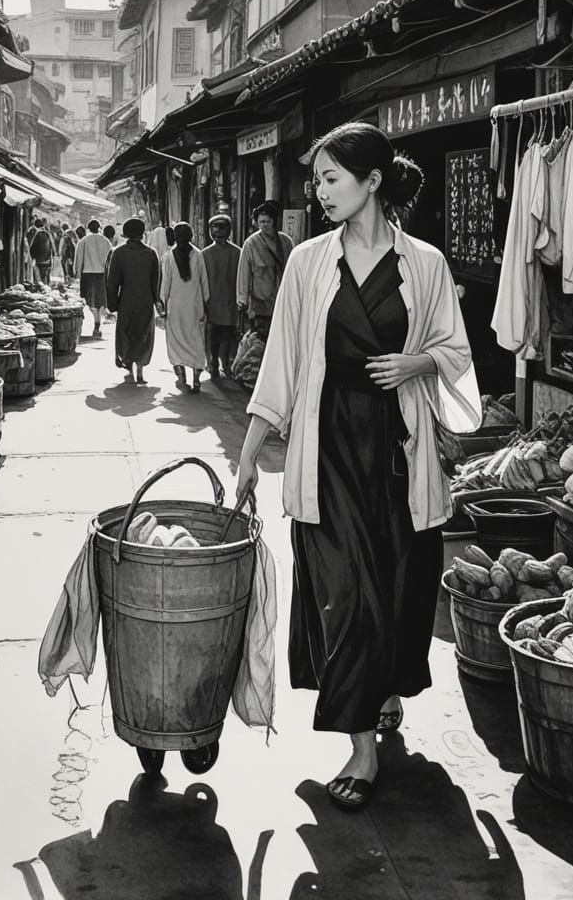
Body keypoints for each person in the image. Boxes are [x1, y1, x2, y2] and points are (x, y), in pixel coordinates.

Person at [235, 122, 481, 812]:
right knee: (345, 593)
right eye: (316, 180)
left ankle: (385, 686)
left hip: (400, 451)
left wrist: (417, 362)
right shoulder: (308, 263)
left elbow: (457, 352)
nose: (319, 193)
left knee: (399, 588)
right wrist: (250, 455)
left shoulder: (424, 263)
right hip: (329, 450)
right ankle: (361, 748)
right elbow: (282, 363)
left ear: (372, 181)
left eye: (330, 179)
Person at [105, 217, 159, 385]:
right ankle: (140, 370)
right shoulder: (151, 254)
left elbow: (112, 282)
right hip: (145, 300)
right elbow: (156, 281)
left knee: (126, 332)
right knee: (143, 333)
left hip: (126, 300)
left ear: (125, 234)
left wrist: (112, 304)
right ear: (142, 234)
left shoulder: (118, 253)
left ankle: (128, 363)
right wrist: (157, 301)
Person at [158, 222, 210, 393]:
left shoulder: (168, 257)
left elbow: (165, 285)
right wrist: (205, 303)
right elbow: (204, 282)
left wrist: (162, 305)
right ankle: (196, 379)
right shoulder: (198, 255)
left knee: (175, 342)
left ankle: (181, 376)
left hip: (175, 308)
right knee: (196, 341)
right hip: (195, 306)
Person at [236, 201, 294, 336]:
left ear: (274, 221)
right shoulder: (251, 244)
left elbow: (293, 270)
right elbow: (244, 272)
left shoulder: (286, 242)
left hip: (282, 299)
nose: (264, 225)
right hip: (260, 303)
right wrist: (242, 299)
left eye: (267, 222)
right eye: (261, 222)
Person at [201, 214, 241, 379]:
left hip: (230, 301)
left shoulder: (238, 253)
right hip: (211, 302)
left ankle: (225, 363)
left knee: (228, 335)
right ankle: (214, 364)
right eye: (214, 227)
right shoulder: (204, 254)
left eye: (222, 227)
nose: (217, 231)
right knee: (213, 335)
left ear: (229, 230)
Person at [74, 219, 113, 336]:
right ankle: (98, 322)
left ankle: (97, 323)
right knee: (101, 300)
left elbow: (79, 259)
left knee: (91, 301)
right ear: (99, 228)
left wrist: (77, 273)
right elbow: (111, 260)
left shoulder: (83, 241)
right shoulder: (106, 241)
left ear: (88, 228)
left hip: (88, 274)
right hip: (102, 275)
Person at [29, 216, 55, 284]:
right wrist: (51, 259)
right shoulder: (47, 234)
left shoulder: (37, 234)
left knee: (37, 278)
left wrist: (33, 257)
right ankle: (45, 286)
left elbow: (32, 247)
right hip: (47, 260)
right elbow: (52, 247)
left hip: (39, 260)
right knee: (44, 277)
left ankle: (39, 286)